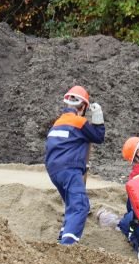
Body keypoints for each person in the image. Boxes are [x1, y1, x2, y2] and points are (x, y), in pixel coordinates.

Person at [44, 85, 105, 245]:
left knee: (71, 203)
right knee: (80, 206)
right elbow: (98, 137)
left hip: (53, 170)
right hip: (69, 169)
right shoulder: (79, 121)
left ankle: (63, 234)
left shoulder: (58, 122)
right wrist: (98, 117)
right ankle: (67, 245)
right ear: (84, 106)